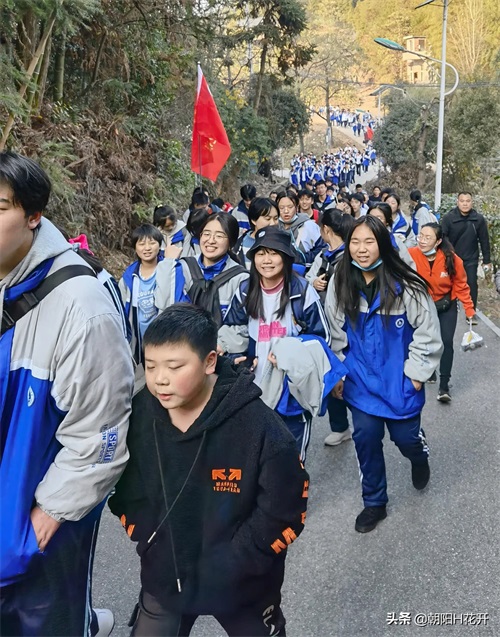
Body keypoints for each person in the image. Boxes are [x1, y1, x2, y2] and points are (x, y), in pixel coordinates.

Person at [108, 304, 309, 637]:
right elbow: (125, 489)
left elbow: (284, 509)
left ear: (210, 361)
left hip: (244, 587)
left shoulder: (259, 427)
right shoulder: (139, 416)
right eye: (151, 365)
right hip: (165, 578)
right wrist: (148, 538)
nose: (160, 379)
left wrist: (237, 561)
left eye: (174, 366)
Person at [0, 151, 133, 635]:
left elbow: (102, 431)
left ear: (34, 215)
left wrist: (44, 521)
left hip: (35, 525)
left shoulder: (82, 306)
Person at [325, 215, 443, 533]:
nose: (361, 249)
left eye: (369, 241)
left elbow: (428, 332)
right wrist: (339, 372)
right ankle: (374, 503)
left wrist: (415, 374)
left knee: (406, 439)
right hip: (360, 381)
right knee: (365, 438)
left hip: (399, 381)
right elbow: (334, 332)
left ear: (383, 245)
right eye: (355, 242)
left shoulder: (406, 283)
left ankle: (418, 456)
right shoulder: (341, 280)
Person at [221, 227, 343, 462]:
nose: (266, 260)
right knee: (257, 454)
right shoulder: (245, 290)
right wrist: (237, 359)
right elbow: (234, 330)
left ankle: (293, 486)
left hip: (292, 387)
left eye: (273, 253)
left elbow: (322, 337)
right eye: (260, 253)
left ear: (286, 257)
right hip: (255, 384)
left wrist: (291, 354)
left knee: (292, 457)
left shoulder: (302, 291)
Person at [409, 223, 475, 402]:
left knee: (446, 342)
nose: (422, 241)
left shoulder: (451, 259)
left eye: (427, 237)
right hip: (422, 307)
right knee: (423, 340)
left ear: (438, 241)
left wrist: (469, 309)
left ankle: (444, 386)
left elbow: (461, 284)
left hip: (446, 305)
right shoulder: (411, 255)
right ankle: (428, 370)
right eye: (421, 236)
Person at [306, 208, 355, 447]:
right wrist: (313, 282)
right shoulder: (323, 255)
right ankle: (340, 427)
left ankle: (366, 420)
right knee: (332, 374)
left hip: (348, 325)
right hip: (323, 324)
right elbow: (307, 278)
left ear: (325, 229)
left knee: (352, 375)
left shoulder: (349, 257)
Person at [155, 212, 248, 327]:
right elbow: (165, 305)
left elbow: (241, 326)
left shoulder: (240, 279)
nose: (211, 240)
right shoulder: (183, 267)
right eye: (206, 234)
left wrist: (214, 339)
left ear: (231, 242)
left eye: (219, 236)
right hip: (181, 337)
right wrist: (168, 263)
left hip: (218, 339)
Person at [441, 191, 492, 320]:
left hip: (471, 258)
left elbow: (484, 240)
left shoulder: (478, 219)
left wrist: (487, 260)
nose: (465, 204)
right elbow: (442, 238)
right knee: (449, 284)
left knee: (471, 284)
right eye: (462, 201)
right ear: (457, 202)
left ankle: (471, 312)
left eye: (468, 201)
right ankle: (449, 308)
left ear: (472, 202)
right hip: (452, 258)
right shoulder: (449, 218)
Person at [119, 223, 164, 367]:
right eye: (142, 244)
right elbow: (122, 311)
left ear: (160, 245)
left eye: (152, 243)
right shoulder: (129, 278)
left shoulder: (168, 271)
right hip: (139, 338)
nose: (147, 248)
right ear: (135, 247)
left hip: (164, 336)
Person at [276, 190, 323, 269]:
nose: (286, 211)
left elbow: (322, 248)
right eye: (281, 208)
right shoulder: (273, 226)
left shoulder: (309, 225)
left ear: (297, 207)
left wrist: (303, 258)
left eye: (290, 207)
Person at [234, 197, 279, 268]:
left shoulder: (283, 242)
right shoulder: (240, 245)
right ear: (254, 220)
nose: (273, 223)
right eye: (268, 219)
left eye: (276, 218)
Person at [367, 203, 415, 267]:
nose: (374, 221)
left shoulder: (395, 242)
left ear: (387, 221)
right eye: (370, 217)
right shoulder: (360, 240)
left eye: (379, 218)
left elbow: (409, 266)